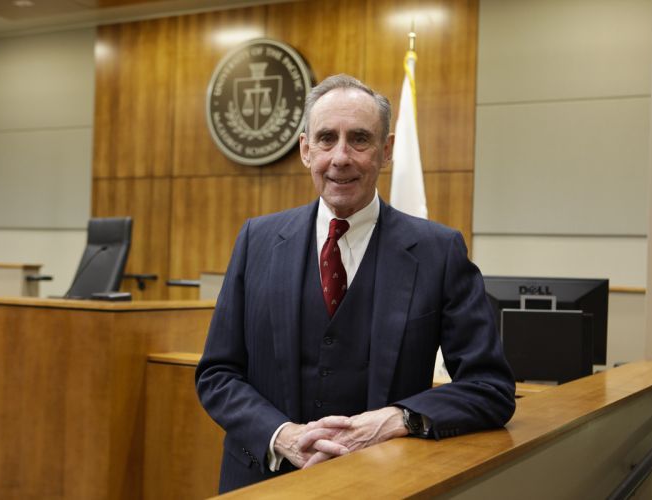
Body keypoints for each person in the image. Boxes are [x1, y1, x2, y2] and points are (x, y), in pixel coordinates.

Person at [195, 74, 515, 493]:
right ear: (306, 150)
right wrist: (284, 436)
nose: (341, 157)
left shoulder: (439, 251)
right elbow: (217, 374)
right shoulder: (257, 241)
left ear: (386, 151)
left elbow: (490, 388)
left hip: (388, 484)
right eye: (327, 138)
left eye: (359, 139)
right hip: (262, 481)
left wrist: (397, 419)